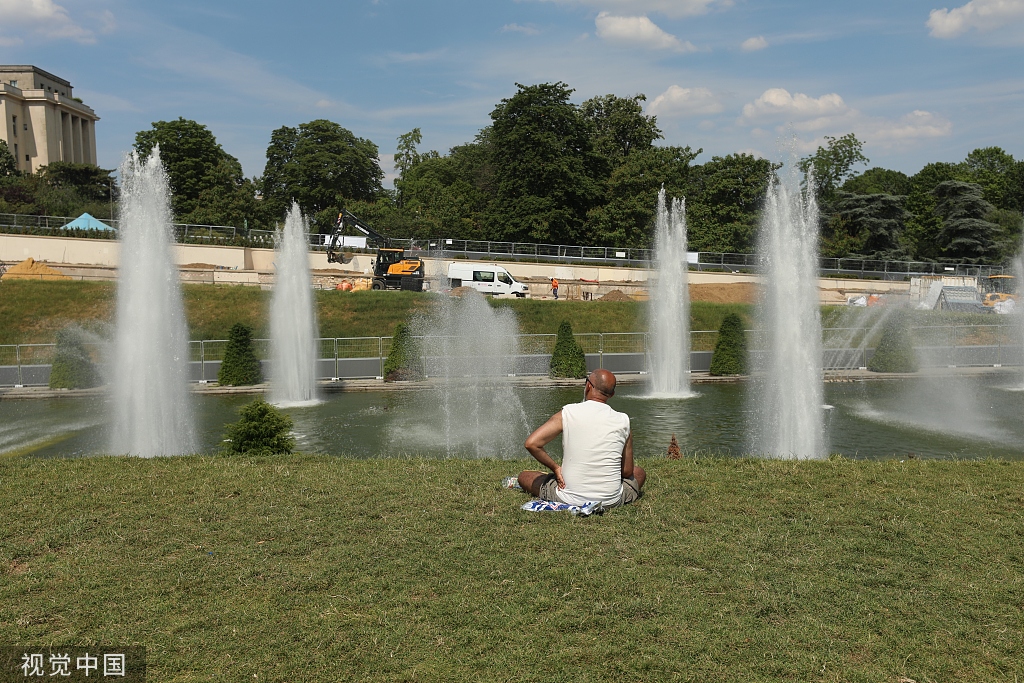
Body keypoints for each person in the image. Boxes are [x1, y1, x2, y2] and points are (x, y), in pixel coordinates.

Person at [518, 369, 645, 508]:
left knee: (524, 477)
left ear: (588, 386)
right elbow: (627, 472)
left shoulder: (568, 412)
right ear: (612, 394)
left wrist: (555, 468)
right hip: (611, 501)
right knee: (638, 472)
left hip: (567, 497)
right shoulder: (623, 420)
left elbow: (531, 444)